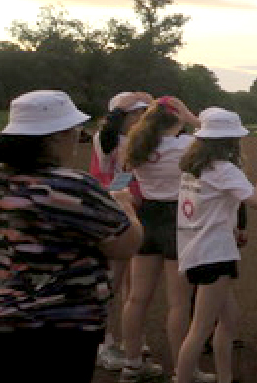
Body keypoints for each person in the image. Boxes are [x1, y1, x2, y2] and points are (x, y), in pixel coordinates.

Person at [0, 90, 143, 383]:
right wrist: (125, 206)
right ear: (56, 137)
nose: (77, 137)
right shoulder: (69, 186)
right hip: (52, 335)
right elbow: (127, 244)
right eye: (74, 130)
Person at [174, 108, 257, 383]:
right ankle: (182, 378)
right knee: (200, 328)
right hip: (213, 252)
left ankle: (225, 377)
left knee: (229, 320)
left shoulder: (193, 168)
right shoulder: (224, 169)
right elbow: (256, 201)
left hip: (197, 249)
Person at [121, 96, 202, 383]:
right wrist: (192, 117)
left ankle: (132, 363)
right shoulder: (187, 145)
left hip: (147, 217)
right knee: (179, 302)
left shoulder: (137, 145)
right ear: (177, 118)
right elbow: (216, 135)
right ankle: (183, 369)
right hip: (178, 218)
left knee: (137, 297)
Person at [91, 91, 153, 371]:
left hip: (133, 212)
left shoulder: (133, 139)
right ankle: (102, 344)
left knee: (133, 283)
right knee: (111, 282)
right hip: (114, 214)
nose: (140, 117)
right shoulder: (108, 139)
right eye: (134, 113)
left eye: (142, 113)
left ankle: (132, 338)